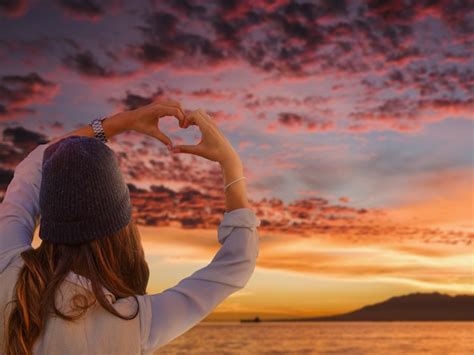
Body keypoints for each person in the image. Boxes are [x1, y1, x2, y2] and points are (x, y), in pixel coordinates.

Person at [0, 99, 261, 354]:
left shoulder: (6, 266)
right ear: (122, 227)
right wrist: (231, 165)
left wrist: (121, 122)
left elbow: (34, 163)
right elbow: (238, 263)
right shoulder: (135, 323)